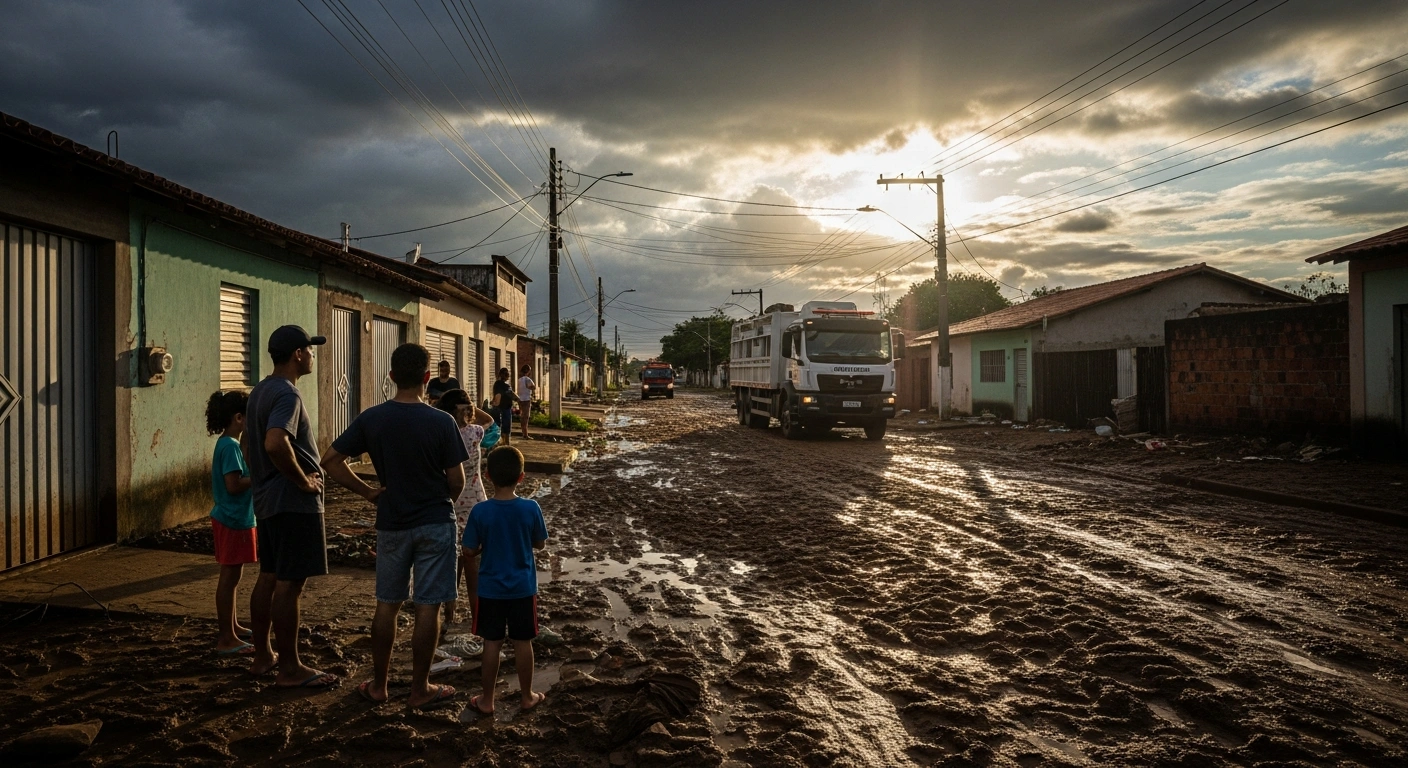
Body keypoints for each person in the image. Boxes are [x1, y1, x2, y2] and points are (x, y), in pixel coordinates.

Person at [321, 343, 469, 710]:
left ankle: (380, 686)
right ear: (426, 378)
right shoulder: (441, 421)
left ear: (390, 377)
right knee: (428, 607)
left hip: (391, 523)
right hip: (435, 522)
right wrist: (442, 500)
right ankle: (420, 689)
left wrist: (368, 492)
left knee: (387, 605)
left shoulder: (373, 418)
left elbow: (330, 461)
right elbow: (457, 480)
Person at [243, 326, 336, 688]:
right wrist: (303, 481)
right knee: (289, 585)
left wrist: (263, 480)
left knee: (269, 576)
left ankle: (264, 655)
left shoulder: (259, 392)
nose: (313, 355)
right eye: (310, 350)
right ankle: (291, 668)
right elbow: (274, 442)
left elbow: (251, 445)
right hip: (292, 503)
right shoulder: (287, 395)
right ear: (298, 354)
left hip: (267, 499)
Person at [464, 446, 548, 716]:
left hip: (490, 589)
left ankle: (487, 700)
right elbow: (540, 544)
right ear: (521, 477)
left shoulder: (480, 511)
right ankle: (527, 696)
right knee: (524, 642)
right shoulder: (530, 508)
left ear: (487, 476)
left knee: (492, 643)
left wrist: (481, 548)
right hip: (523, 588)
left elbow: (468, 550)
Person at [433, 388, 494, 628]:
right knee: (475, 568)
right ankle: (479, 618)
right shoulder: (475, 433)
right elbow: (488, 420)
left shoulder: (441, 436)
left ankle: (449, 616)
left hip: (450, 503)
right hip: (477, 505)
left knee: (452, 564)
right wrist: (471, 406)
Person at [205, 390, 256, 656]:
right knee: (229, 577)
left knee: (233, 576)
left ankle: (232, 626)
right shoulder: (230, 447)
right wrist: (261, 478)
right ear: (239, 418)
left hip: (235, 518)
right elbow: (233, 485)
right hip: (232, 519)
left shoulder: (230, 444)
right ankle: (227, 637)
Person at [491, 367, 515, 446]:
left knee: (503, 426)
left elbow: (512, 394)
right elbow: (498, 395)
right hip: (502, 408)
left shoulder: (504, 385)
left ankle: (505, 442)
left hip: (505, 408)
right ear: (501, 375)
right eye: (505, 374)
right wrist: (496, 403)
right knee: (503, 426)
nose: (507, 376)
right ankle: (503, 443)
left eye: (507, 374)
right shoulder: (500, 384)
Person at [516, 365, 536, 440]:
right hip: (526, 400)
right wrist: (530, 388)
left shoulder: (519, 380)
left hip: (520, 399)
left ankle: (524, 433)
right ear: (528, 371)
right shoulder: (527, 379)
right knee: (526, 417)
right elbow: (533, 387)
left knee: (522, 417)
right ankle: (525, 434)